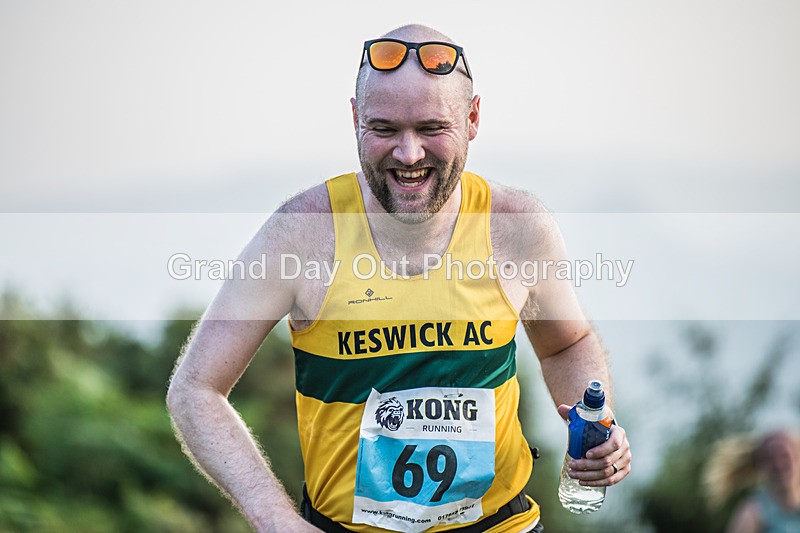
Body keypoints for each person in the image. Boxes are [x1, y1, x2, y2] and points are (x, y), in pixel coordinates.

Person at [167, 24, 632, 532]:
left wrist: (595, 421)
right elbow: (196, 389)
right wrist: (276, 519)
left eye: (432, 128)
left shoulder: (515, 228)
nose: (409, 154)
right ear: (354, 120)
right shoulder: (303, 234)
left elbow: (568, 343)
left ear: (473, 118)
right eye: (384, 129)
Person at [704, 430, 800, 533]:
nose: (778, 464)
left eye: (785, 456)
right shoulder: (753, 512)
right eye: (770, 459)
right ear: (761, 466)